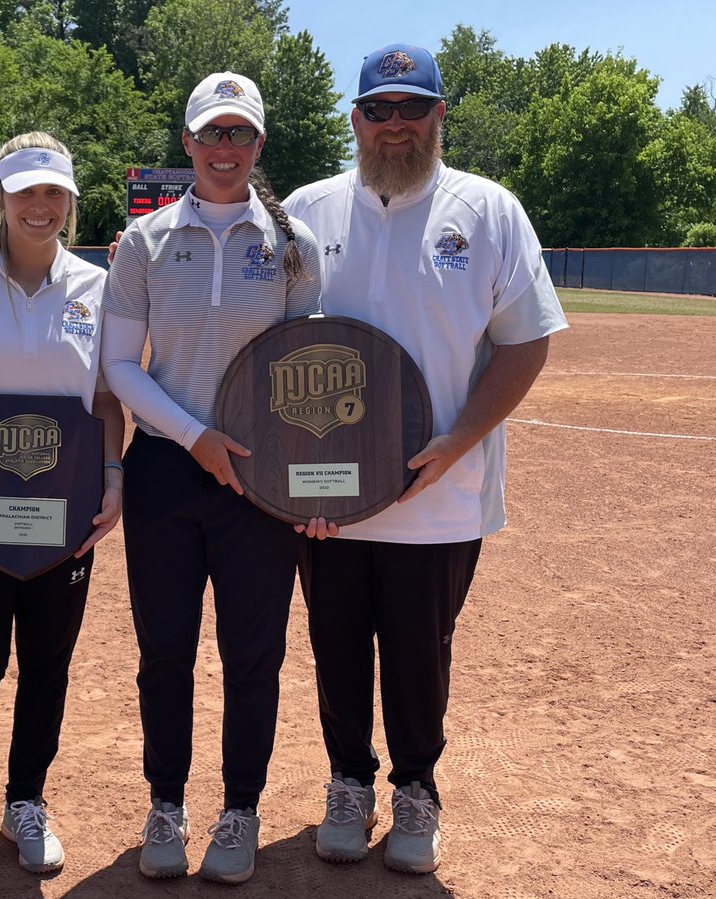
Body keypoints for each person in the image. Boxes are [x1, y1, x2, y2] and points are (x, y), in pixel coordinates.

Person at [282, 44, 569, 874]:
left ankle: (416, 787)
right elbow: (268, 354)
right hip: (324, 488)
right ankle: (348, 781)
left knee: (418, 647)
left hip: (441, 490)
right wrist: (281, 474)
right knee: (335, 642)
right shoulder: (306, 211)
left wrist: (457, 442)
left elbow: (524, 346)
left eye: (414, 108)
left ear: (441, 116)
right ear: (355, 119)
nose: (396, 124)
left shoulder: (487, 210)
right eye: (380, 109)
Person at [101, 72, 322, 885]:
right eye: (210, 133)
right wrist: (194, 437)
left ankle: (239, 809)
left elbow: (306, 368)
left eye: (239, 134)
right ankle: (166, 803)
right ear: (187, 143)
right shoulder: (148, 244)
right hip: (167, 466)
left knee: (252, 653)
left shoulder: (292, 245)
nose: (224, 149)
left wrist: (309, 482)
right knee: (164, 651)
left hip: (258, 481)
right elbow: (121, 364)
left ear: (258, 145)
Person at [0, 132, 125, 874]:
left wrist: (112, 476)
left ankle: (27, 797)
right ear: (1, 199)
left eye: (53, 193)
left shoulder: (96, 288)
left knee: (48, 664)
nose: (40, 206)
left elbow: (105, 395)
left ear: (69, 201)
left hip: (63, 512)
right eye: (25, 191)